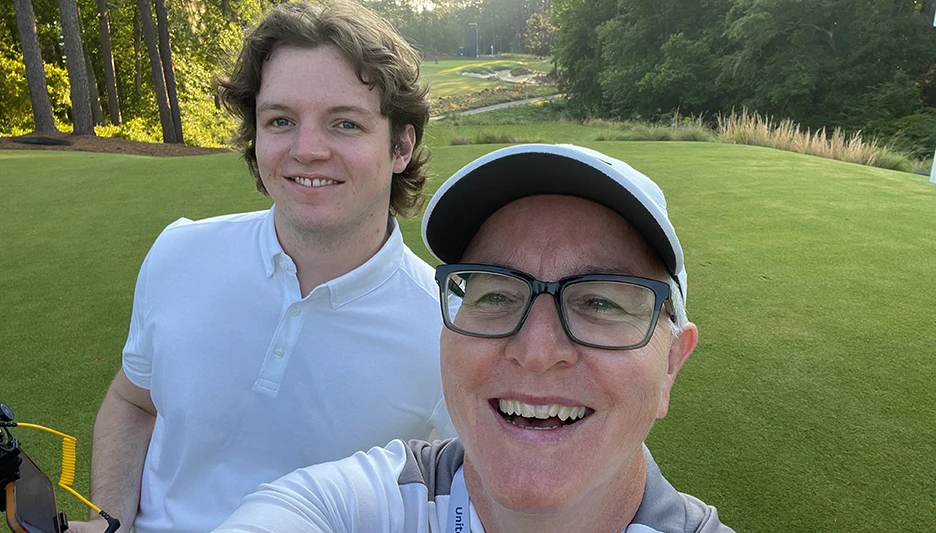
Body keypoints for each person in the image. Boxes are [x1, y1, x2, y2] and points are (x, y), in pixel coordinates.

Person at [68, 2, 455, 532]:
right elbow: (133, 402)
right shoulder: (180, 253)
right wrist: (108, 521)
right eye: (281, 121)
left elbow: (467, 495)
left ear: (401, 146)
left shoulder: (448, 328)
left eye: (345, 123)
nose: (307, 150)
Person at [211, 144, 737, 533]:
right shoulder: (352, 508)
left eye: (600, 302)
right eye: (496, 294)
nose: (536, 353)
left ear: (671, 363)